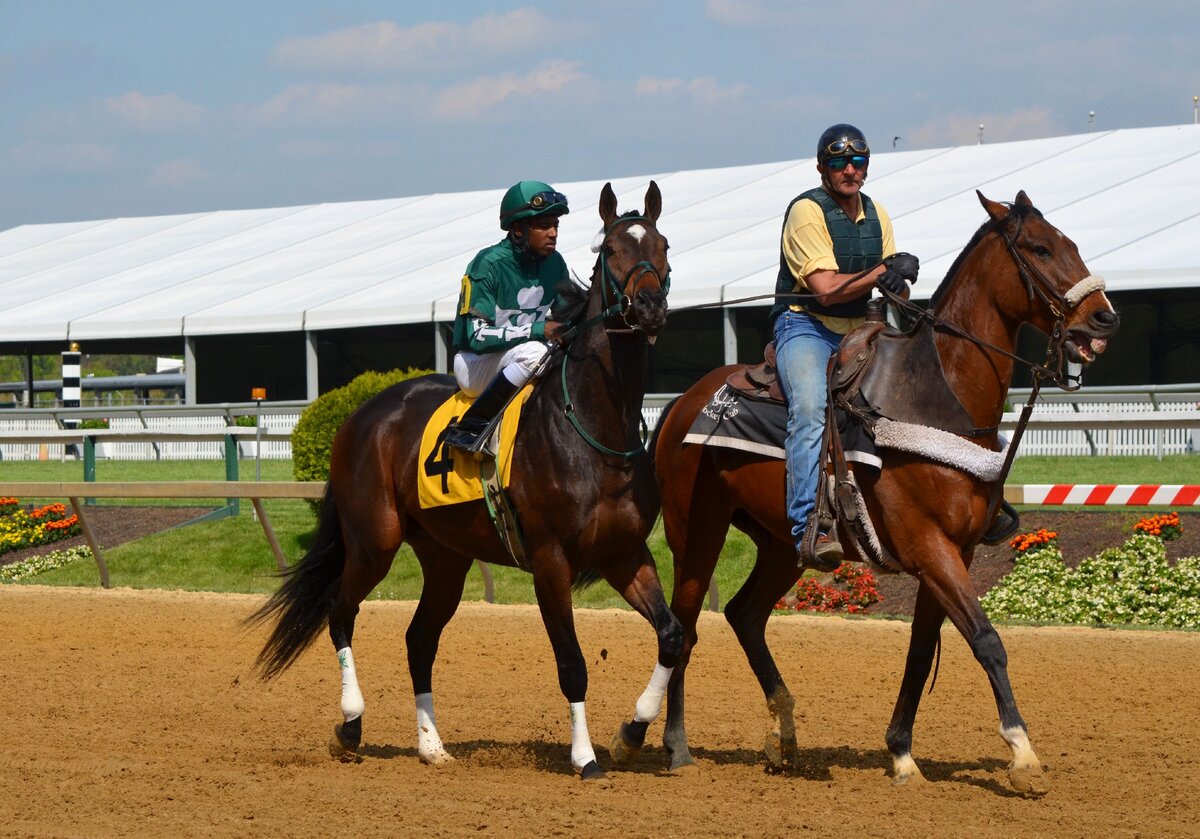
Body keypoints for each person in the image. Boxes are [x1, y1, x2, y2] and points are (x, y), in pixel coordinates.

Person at [769, 124, 920, 570]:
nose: (850, 169)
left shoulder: (878, 213)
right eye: (839, 162)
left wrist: (896, 282)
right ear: (822, 168)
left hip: (862, 327)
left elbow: (894, 291)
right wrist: (882, 271)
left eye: (858, 162)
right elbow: (826, 289)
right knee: (812, 407)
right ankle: (808, 526)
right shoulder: (806, 211)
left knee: (914, 391)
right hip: (806, 327)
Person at [443, 180, 571, 453]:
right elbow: (475, 336)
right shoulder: (487, 264)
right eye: (544, 226)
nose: (553, 233)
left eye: (556, 226)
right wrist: (538, 329)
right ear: (517, 229)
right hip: (475, 363)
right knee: (536, 352)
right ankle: (473, 428)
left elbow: (565, 323)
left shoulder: (556, 264)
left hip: (519, 357)